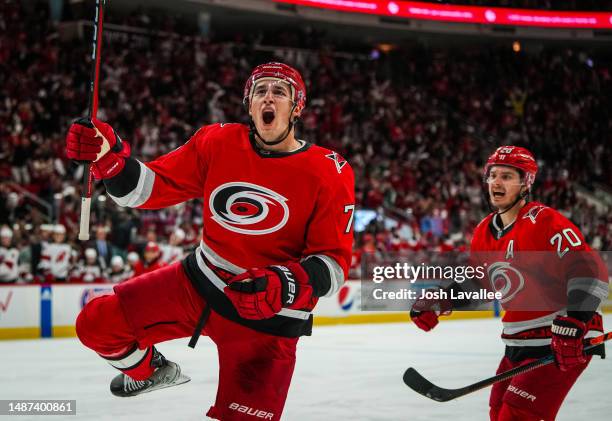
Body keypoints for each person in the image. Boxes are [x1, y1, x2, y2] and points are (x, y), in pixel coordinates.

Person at [67, 62, 355, 420]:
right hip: (199, 284)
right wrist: (110, 159)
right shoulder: (217, 142)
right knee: (96, 324)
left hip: (267, 316)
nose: (269, 97)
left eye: (280, 92)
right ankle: (151, 371)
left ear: (297, 107)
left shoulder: (329, 170)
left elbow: (334, 264)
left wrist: (286, 283)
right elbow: (147, 189)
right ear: (249, 104)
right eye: (261, 91)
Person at [409, 146, 607, 421]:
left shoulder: (544, 221)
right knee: (498, 411)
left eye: (506, 176)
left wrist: (576, 320)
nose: (496, 183)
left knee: (517, 414)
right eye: (492, 175)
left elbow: (590, 271)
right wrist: (442, 301)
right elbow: (481, 283)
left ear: (525, 183)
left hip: (559, 340)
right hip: (517, 343)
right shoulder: (483, 231)